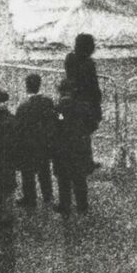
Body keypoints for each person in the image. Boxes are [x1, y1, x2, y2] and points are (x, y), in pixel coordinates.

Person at [12, 72, 59, 210]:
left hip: (28, 145)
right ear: (39, 85)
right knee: (44, 170)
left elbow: (18, 128)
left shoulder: (23, 107)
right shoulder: (48, 102)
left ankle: (30, 198)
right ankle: (47, 195)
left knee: (28, 173)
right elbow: (57, 117)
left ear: (27, 87)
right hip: (44, 144)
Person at [52, 79, 94, 215]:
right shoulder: (83, 106)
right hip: (80, 147)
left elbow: (54, 128)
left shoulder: (58, 109)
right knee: (80, 178)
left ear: (61, 92)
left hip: (63, 149)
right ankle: (82, 204)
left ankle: (65, 205)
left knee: (63, 178)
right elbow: (92, 124)